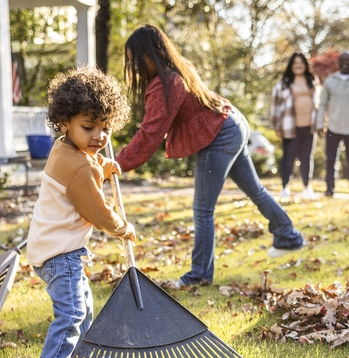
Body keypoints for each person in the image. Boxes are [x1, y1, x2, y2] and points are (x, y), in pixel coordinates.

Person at [116, 25, 304, 288]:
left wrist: (117, 163)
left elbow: (150, 133)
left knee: (203, 209)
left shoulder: (167, 83)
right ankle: (288, 235)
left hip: (220, 133)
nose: (133, 67)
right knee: (255, 190)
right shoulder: (179, 70)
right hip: (231, 122)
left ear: (151, 53)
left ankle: (199, 275)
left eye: (136, 59)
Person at [26, 66, 136, 358]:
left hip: (52, 249)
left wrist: (103, 166)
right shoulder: (79, 166)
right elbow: (97, 212)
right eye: (88, 128)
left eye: (105, 128)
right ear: (64, 122)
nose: (99, 136)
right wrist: (123, 227)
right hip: (60, 255)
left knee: (84, 308)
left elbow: (82, 165)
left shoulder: (63, 149)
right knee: (72, 313)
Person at [315, 50, 349, 198]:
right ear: (338, 62)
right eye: (342, 60)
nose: (345, 63)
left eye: (348, 60)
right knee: (331, 160)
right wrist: (320, 123)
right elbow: (322, 104)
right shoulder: (330, 81)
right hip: (333, 127)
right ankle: (329, 190)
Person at [270, 52, 320, 201]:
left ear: (305, 65)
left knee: (307, 158)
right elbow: (275, 105)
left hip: (309, 126)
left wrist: (321, 122)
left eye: (301, 63)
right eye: (295, 63)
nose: (298, 66)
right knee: (288, 158)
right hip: (289, 126)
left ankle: (307, 188)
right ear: (291, 66)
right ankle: (285, 188)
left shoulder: (313, 81)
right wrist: (276, 125)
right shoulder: (283, 83)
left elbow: (320, 103)